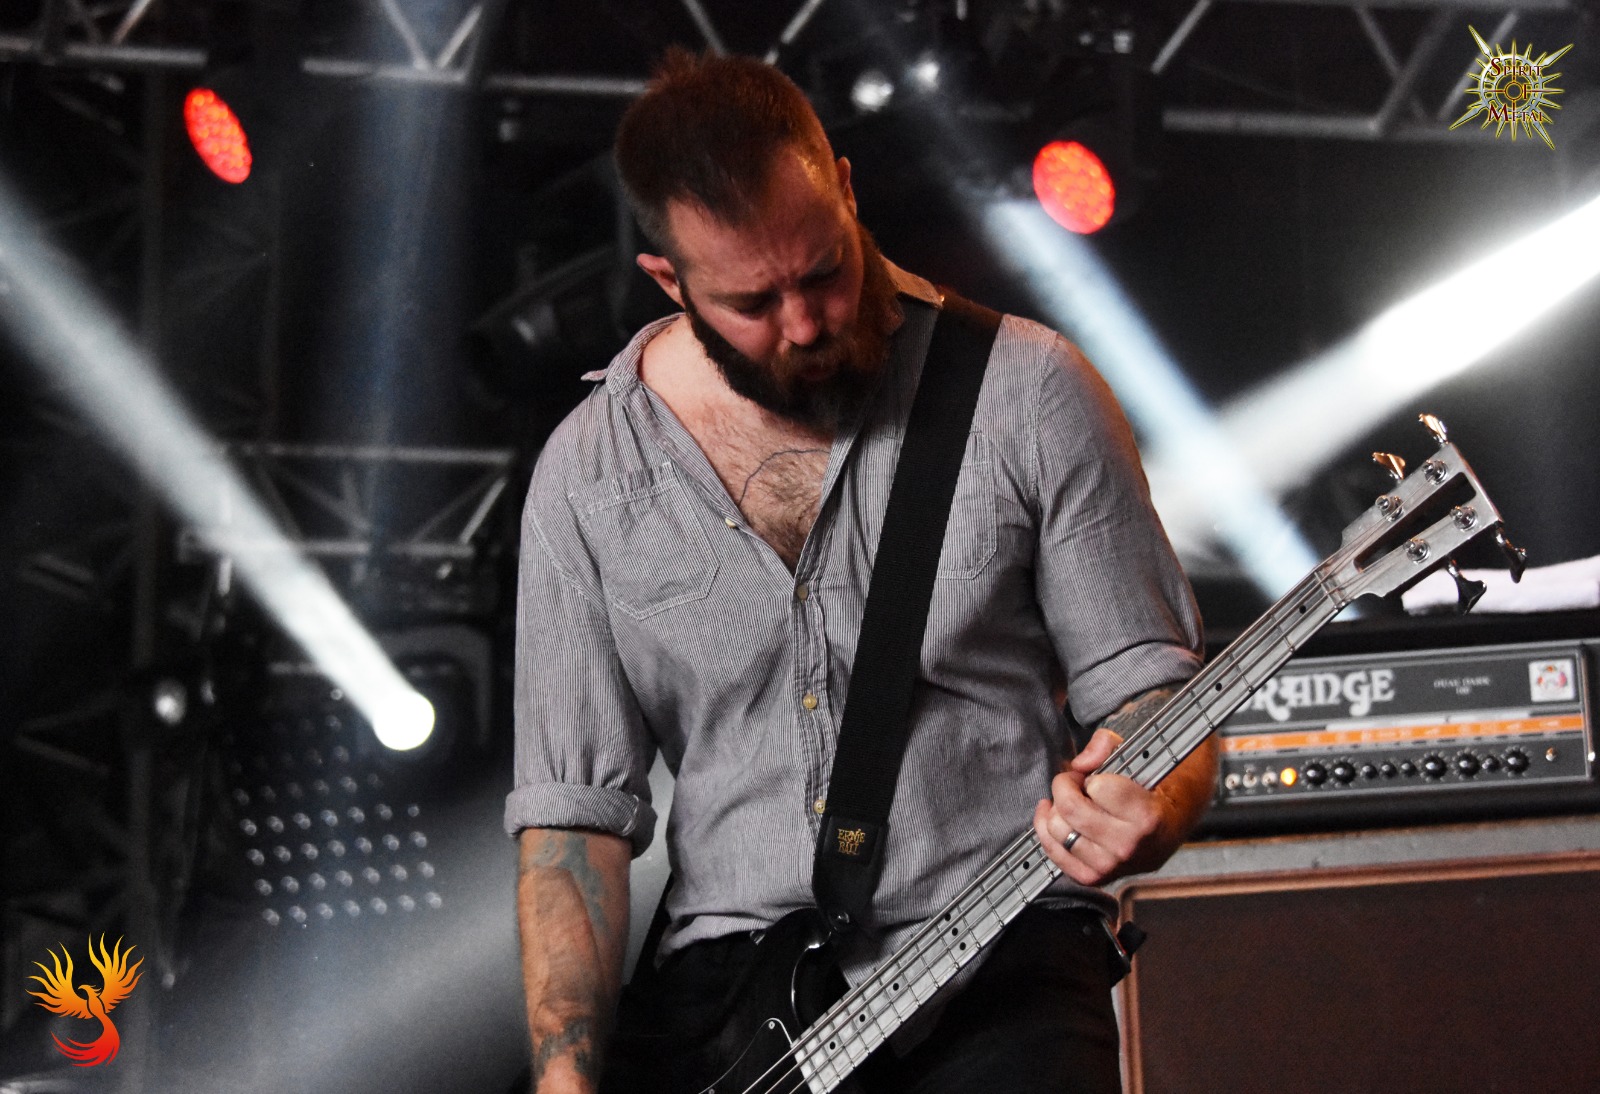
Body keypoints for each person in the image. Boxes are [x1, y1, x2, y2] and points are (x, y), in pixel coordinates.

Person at [506, 48, 1218, 1094]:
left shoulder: (1026, 391)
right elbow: (572, 824)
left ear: (844, 188)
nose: (804, 324)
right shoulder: (591, 472)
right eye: (753, 301)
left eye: (823, 272)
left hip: (1000, 968)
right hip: (734, 1019)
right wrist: (566, 1084)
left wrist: (1155, 798)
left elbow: (1154, 691)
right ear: (668, 279)